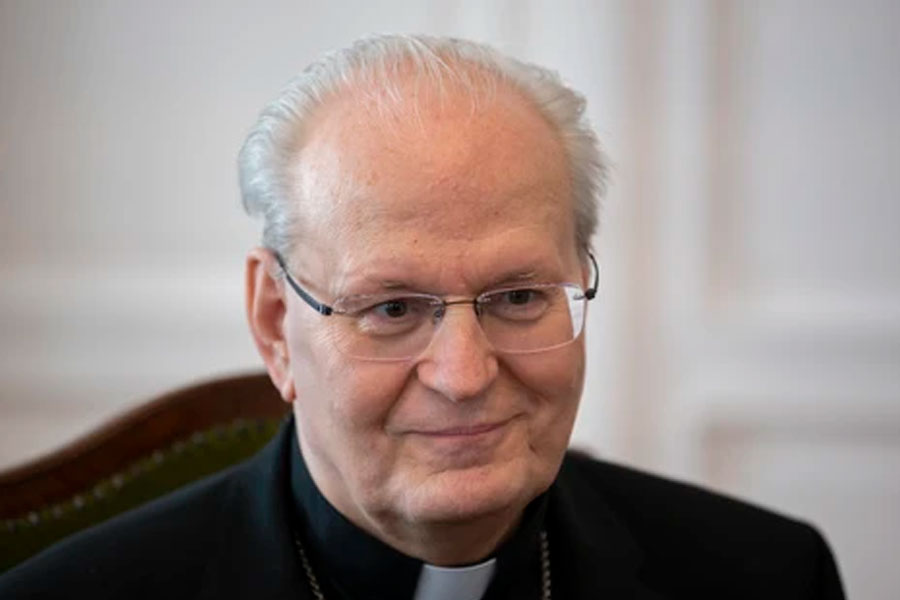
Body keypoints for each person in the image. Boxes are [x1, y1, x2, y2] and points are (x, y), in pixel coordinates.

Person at [0, 34, 844, 599]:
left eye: (519, 297)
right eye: (393, 308)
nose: (464, 376)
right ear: (274, 324)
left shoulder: (767, 577)